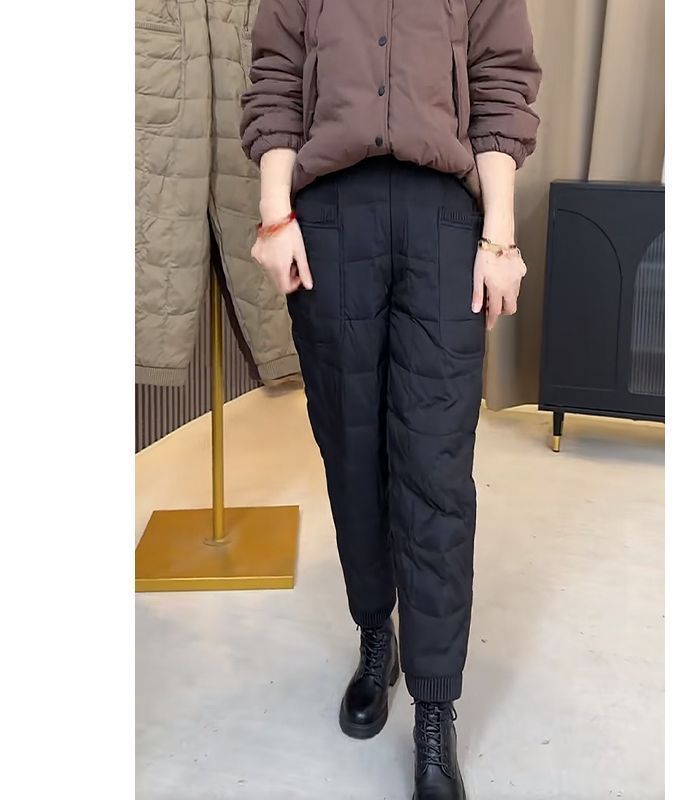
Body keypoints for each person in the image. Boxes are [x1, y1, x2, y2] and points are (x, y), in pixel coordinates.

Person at [241, 1, 541, 797]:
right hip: (332, 220)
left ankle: (436, 709)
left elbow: (501, 84)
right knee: (353, 456)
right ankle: (377, 635)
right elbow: (274, 79)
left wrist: (500, 236)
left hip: (444, 222)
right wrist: (276, 215)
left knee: (435, 471)